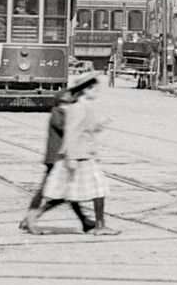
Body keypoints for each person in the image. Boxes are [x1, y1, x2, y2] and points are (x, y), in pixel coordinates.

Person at [23, 72, 119, 236]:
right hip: (79, 157)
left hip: (84, 155)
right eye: (95, 89)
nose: (97, 93)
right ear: (86, 90)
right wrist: (72, 158)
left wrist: (99, 124)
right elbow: (71, 133)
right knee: (96, 191)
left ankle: (34, 216)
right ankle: (99, 226)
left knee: (68, 194)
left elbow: (84, 129)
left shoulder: (84, 107)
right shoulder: (77, 108)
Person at [18, 87, 95, 233]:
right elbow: (68, 130)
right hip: (56, 158)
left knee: (68, 190)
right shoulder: (57, 113)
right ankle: (30, 217)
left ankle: (84, 221)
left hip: (60, 157)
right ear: (62, 101)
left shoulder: (62, 112)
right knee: (51, 191)